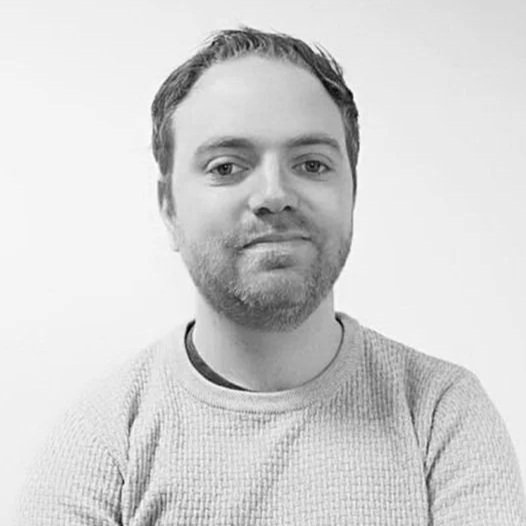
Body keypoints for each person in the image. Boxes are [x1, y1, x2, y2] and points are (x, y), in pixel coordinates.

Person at [16, 26, 526, 525]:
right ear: (168, 207)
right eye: (226, 167)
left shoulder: (441, 414)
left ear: (352, 191)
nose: (274, 194)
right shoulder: (102, 439)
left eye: (312, 164)